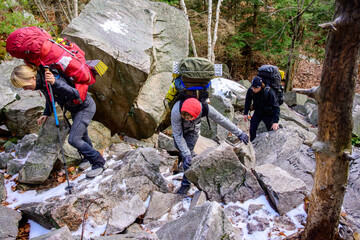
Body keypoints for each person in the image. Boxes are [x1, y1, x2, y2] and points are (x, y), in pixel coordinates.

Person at [10, 65, 107, 178]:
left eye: (24, 86)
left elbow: (75, 93)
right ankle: (88, 157)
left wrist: (55, 83)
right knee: (82, 135)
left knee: (74, 139)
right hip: (75, 108)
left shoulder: (52, 78)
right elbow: (50, 98)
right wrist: (46, 113)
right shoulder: (43, 82)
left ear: (32, 78)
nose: (25, 89)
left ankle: (99, 162)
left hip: (85, 107)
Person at [171, 97, 249, 194]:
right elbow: (178, 135)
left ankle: (185, 185)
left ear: (197, 114)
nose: (187, 119)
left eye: (190, 117)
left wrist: (239, 133)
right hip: (180, 131)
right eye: (185, 117)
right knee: (183, 150)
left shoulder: (205, 108)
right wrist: (186, 154)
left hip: (193, 131)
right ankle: (194, 161)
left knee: (188, 153)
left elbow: (221, 120)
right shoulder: (176, 111)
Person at [243, 76, 280, 142]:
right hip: (257, 112)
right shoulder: (251, 90)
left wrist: (275, 122)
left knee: (272, 129)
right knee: (252, 129)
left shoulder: (269, 92)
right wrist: (245, 113)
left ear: (260, 86)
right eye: (252, 87)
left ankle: (273, 143)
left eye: (256, 88)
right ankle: (252, 143)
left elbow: (276, 107)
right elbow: (247, 101)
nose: (254, 89)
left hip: (268, 114)